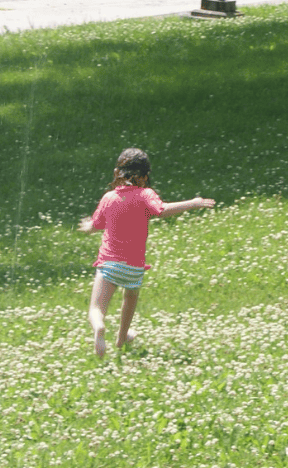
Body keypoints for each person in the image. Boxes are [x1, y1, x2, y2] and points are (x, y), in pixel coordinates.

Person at [76, 148, 216, 358]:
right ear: (145, 176)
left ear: (117, 173)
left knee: (96, 308)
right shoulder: (146, 195)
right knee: (130, 298)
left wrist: (87, 227)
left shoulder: (108, 198)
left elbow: (97, 224)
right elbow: (162, 210)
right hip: (134, 267)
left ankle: (99, 327)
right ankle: (122, 338)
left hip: (109, 265)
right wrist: (193, 203)